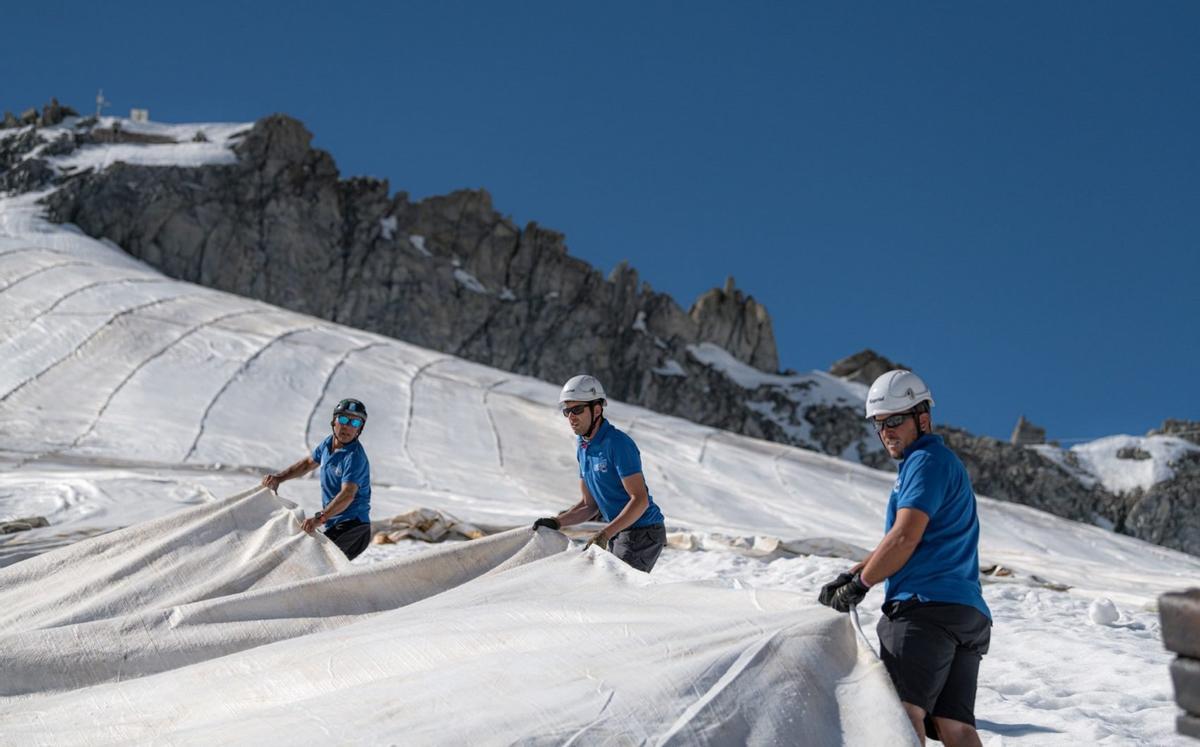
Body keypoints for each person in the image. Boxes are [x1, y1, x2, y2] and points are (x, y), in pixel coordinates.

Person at [818, 370, 991, 747]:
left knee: (903, 714)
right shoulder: (943, 462)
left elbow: (904, 537)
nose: (886, 432)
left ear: (922, 418)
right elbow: (909, 539)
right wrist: (857, 571)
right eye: (879, 424)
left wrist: (863, 583)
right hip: (967, 614)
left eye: (894, 420)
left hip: (924, 610)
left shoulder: (924, 462)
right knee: (956, 727)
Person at [532, 375, 667, 573]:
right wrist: (557, 522)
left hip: (643, 531)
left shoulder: (618, 443)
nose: (571, 417)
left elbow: (640, 500)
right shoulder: (583, 447)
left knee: (615, 585)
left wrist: (605, 534)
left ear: (596, 410)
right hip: (618, 530)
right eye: (567, 411)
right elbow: (589, 505)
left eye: (577, 409)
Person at [262, 398, 373, 560]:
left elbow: (348, 494)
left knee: (313, 560)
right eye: (343, 419)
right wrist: (279, 478)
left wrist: (320, 518)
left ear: (360, 429)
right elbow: (308, 464)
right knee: (314, 562)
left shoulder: (354, 456)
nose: (347, 426)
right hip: (335, 524)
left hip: (354, 526)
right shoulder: (328, 443)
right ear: (334, 421)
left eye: (355, 423)